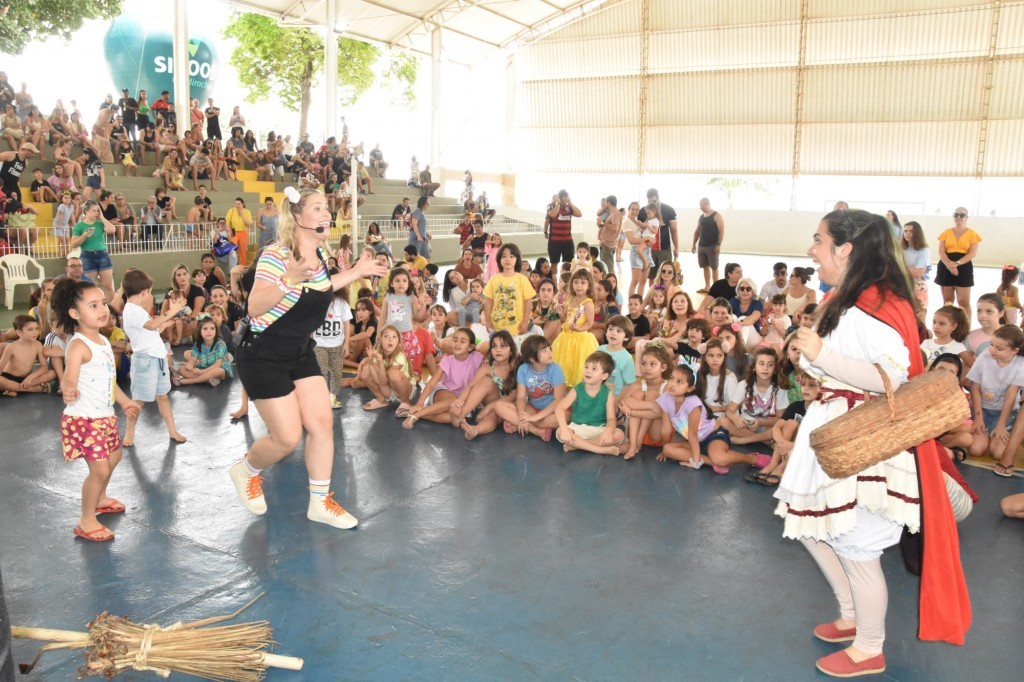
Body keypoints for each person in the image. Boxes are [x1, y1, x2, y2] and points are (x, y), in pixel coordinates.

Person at [779, 209, 971, 677]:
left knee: (856, 544)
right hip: (832, 426)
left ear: (846, 249)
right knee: (812, 529)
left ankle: (869, 647)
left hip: (864, 434)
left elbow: (893, 376)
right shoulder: (850, 298)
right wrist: (814, 358)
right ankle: (850, 615)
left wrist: (820, 353)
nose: (811, 249)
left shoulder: (875, 301)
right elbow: (844, 363)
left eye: (818, 240)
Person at [229, 186, 387, 530]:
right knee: (286, 439)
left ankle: (320, 501)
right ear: (298, 217)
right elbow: (253, 307)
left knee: (321, 423)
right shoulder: (277, 255)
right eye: (317, 208)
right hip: (262, 354)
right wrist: (287, 279)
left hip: (299, 349)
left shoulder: (318, 262)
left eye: (327, 208)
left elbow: (323, 288)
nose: (326, 214)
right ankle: (246, 470)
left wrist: (357, 272)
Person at [51, 279, 140, 542]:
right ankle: (86, 519)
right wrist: (68, 387)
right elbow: (70, 375)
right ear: (75, 314)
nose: (102, 309)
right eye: (93, 305)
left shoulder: (102, 340)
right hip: (83, 420)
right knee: (99, 469)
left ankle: (100, 498)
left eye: (102, 303)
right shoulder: (78, 345)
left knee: (114, 459)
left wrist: (124, 401)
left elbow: (108, 379)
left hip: (104, 417)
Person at [120, 269, 188, 447]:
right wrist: (172, 311)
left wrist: (164, 324)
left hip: (157, 359)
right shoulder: (132, 310)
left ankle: (172, 430)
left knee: (163, 396)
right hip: (145, 361)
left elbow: (151, 329)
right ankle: (129, 433)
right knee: (138, 400)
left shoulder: (138, 310)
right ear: (145, 291)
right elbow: (150, 325)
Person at [967, 325, 1024, 476]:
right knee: (976, 449)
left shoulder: (1020, 363)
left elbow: (1011, 395)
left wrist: (1001, 425)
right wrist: (978, 417)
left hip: (1005, 412)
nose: (992, 349)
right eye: (991, 344)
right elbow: (975, 388)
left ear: (1014, 351)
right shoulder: (984, 357)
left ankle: (1007, 437)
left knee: (999, 453)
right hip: (983, 410)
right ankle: (987, 435)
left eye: (999, 348)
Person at [492, 335, 566, 443]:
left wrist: (534, 418)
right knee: (498, 406)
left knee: (561, 419)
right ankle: (535, 430)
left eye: (549, 348)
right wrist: (522, 416)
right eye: (544, 351)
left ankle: (517, 424)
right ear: (532, 358)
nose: (549, 352)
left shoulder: (556, 370)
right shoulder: (523, 369)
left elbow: (559, 400)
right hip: (533, 409)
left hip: (554, 410)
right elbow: (521, 398)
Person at [553, 350, 624, 455]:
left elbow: (611, 419)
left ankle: (578, 446)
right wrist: (564, 429)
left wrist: (608, 431)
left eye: (594, 369)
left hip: (598, 429)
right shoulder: (577, 389)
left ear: (604, 376)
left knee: (618, 435)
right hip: (577, 429)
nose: (588, 371)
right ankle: (599, 449)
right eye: (586, 367)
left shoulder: (607, 393)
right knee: (559, 432)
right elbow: (559, 408)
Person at [551, 269, 599, 387]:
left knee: (578, 366)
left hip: (580, 340)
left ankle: (577, 391)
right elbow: (565, 319)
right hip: (566, 338)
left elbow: (589, 323)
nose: (579, 286)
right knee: (565, 366)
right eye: (576, 282)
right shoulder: (570, 299)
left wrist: (579, 328)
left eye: (583, 283)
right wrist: (561, 312)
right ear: (571, 284)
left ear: (589, 285)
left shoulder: (588, 303)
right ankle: (564, 389)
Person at [935, 207, 981, 324]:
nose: (958, 217)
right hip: (946, 266)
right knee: (948, 301)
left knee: (963, 302)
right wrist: (949, 265)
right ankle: (947, 327)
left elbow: (972, 253)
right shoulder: (945, 233)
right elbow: (941, 251)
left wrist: (957, 263)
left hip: (964, 266)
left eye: (962, 215)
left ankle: (965, 328)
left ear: (967, 217)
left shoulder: (972, 234)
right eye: (956, 215)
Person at [313, 282, 352, 409]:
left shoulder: (342, 303)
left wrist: (346, 343)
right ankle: (322, 397)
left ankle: (333, 396)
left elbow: (346, 324)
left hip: (337, 344)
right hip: (319, 344)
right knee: (322, 370)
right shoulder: (317, 301)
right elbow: (310, 321)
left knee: (336, 371)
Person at [69, 200, 116, 304]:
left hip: (102, 254)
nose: (96, 213)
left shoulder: (100, 224)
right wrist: (84, 235)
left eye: (98, 210)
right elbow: (74, 244)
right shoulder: (79, 226)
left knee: (108, 286)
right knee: (92, 286)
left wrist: (103, 218)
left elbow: (112, 230)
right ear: (86, 211)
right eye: (94, 211)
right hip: (87, 256)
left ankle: (113, 309)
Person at [0, 316, 53, 395]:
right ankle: (31, 389)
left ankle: (12, 389)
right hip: (8, 377)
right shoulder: (11, 347)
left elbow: (44, 367)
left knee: (52, 373)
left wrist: (30, 378)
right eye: (30, 329)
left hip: (27, 379)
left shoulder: (37, 345)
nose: (35, 332)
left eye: (36, 328)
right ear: (19, 332)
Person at [639, 189, 679, 285]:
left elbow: (674, 230)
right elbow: (639, 230)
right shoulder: (643, 211)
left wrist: (676, 248)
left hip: (664, 249)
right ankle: (652, 296)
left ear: (658, 198)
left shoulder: (669, 210)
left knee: (666, 276)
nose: (652, 204)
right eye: (649, 202)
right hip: (648, 248)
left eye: (653, 201)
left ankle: (664, 297)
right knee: (650, 276)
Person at [177, 318, 232, 387]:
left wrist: (201, 372)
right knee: (181, 369)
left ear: (216, 331)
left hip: (217, 371)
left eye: (212, 328)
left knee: (219, 371)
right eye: (205, 329)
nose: (209, 331)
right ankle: (207, 380)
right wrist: (190, 365)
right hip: (202, 369)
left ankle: (191, 381)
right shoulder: (198, 343)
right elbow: (193, 359)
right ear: (200, 332)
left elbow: (218, 365)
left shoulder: (220, 344)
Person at [692, 197, 725, 293]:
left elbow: (721, 231)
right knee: (705, 267)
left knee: (714, 267)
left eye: (701, 206)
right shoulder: (701, 217)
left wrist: (718, 244)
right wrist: (694, 244)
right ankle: (707, 287)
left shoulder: (717, 216)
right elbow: (697, 231)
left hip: (712, 246)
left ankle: (716, 288)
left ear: (707, 204)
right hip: (702, 246)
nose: (700, 208)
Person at [900, 221, 930, 317]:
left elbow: (918, 272)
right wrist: (910, 269)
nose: (907, 233)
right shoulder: (900, 248)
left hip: (917, 287)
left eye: (911, 231)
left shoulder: (924, 250)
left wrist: (901, 267)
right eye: (905, 231)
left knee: (919, 316)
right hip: (902, 286)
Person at [544, 189, 580, 267]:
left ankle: (566, 278)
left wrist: (570, 203)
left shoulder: (569, 207)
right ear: (560, 197)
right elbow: (552, 215)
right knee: (554, 262)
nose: (566, 198)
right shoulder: (551, 205)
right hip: (554, 241)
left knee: (569, 263)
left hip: (567, 240)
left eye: (567, 196)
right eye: (564, 197)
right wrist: (558, 203)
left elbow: (579, 214)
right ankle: (554, 278)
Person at [596, 195, 621, 272]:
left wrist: (603, 222)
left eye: (605, 202)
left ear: (608, 203)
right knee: (606, 268)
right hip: (605, 244)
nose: (604, 204)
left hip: (608, 245)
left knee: (609, 269)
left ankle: (612, 283)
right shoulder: (612, 213)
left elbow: (615, 228)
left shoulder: (615, 214)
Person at [226, 197, 254, 266]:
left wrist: (242, 213)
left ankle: (242, 267)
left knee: (242, 251)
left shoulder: (247, 212)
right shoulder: (231, 210)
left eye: (239, 204)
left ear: (243, 204)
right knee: (232, 249)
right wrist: (230, 232)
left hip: (243, 232)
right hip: (234, 232)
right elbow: (227, 223)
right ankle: (233, 266)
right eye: (236, 204)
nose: (237, 205)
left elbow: (248, 224)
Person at [408, 195, 431, 261]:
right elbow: (414, 224)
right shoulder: (417, 211)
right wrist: (418, 236)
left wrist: (427, 234)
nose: (428, 205)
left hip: (423, 238)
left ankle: (425, 271)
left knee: (427, 257)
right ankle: (415, 271)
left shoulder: (422, 213)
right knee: (415, 257)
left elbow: (422, 226)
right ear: (422, 203)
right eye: (427, 204)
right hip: (416, 238)